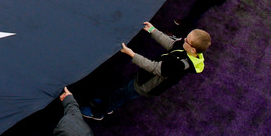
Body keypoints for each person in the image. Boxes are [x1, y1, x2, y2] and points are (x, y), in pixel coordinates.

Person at [80, 23, 210, 120]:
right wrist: (153, 31)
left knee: (122, 93)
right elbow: (172, 45)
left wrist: (132, 54)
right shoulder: (187, 49)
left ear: (193, 50)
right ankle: (109, 105)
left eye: (186, 40)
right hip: (145, 77)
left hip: (144, 85)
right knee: (122, 93)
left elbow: (155, 68)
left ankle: (98, 112)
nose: (183, 40)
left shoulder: (180, 65)